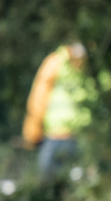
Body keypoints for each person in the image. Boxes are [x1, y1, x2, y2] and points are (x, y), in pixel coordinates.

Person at [22, 42, 102, 179]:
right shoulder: (90, 66)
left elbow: (38, 97)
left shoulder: (54, 62)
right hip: (78, 136)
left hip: (58, 136)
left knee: (49, 180)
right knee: (78, 180)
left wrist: (32, 133)